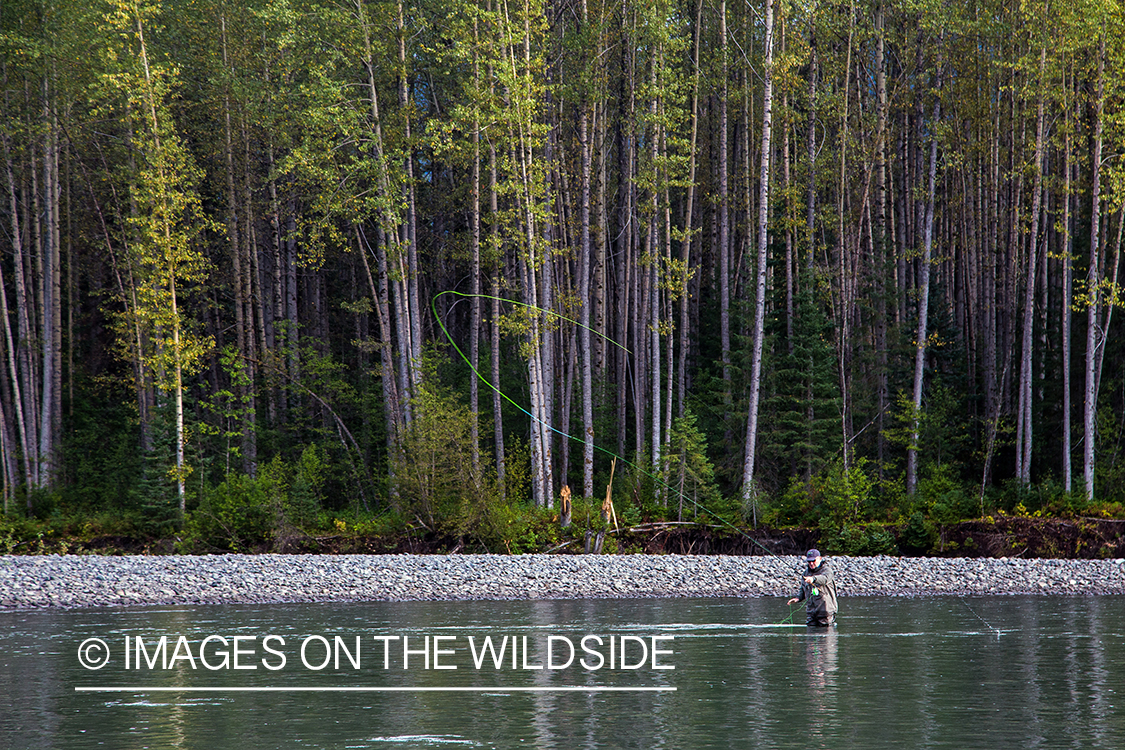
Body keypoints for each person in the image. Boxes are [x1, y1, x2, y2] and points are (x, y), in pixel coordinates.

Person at [786, 549, 838, 626]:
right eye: (809, 561)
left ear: (820, 559)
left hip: (825, 612)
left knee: (825, 634)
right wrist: (798, 598)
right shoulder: (806, 573)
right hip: (811, 613)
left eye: (813, 560)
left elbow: (824, 579)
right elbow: (803, 588)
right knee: (810, 634)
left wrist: (813, 579)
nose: (811, 563)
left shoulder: (827, 571)